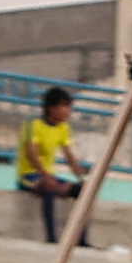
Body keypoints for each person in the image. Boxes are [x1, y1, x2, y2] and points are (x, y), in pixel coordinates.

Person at [18, 87, 82, 239]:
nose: (68, 111)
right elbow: (32, 154)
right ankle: (51, 236)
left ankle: (80, 239)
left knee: (83, 191)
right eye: (64, 106)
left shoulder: (63, 128)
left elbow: (69, 155)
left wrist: (81, 175)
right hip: (29, 176)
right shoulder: (33, 126)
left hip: (49, 176)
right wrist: (46, 175)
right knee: (49, 186)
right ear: (51, 108)